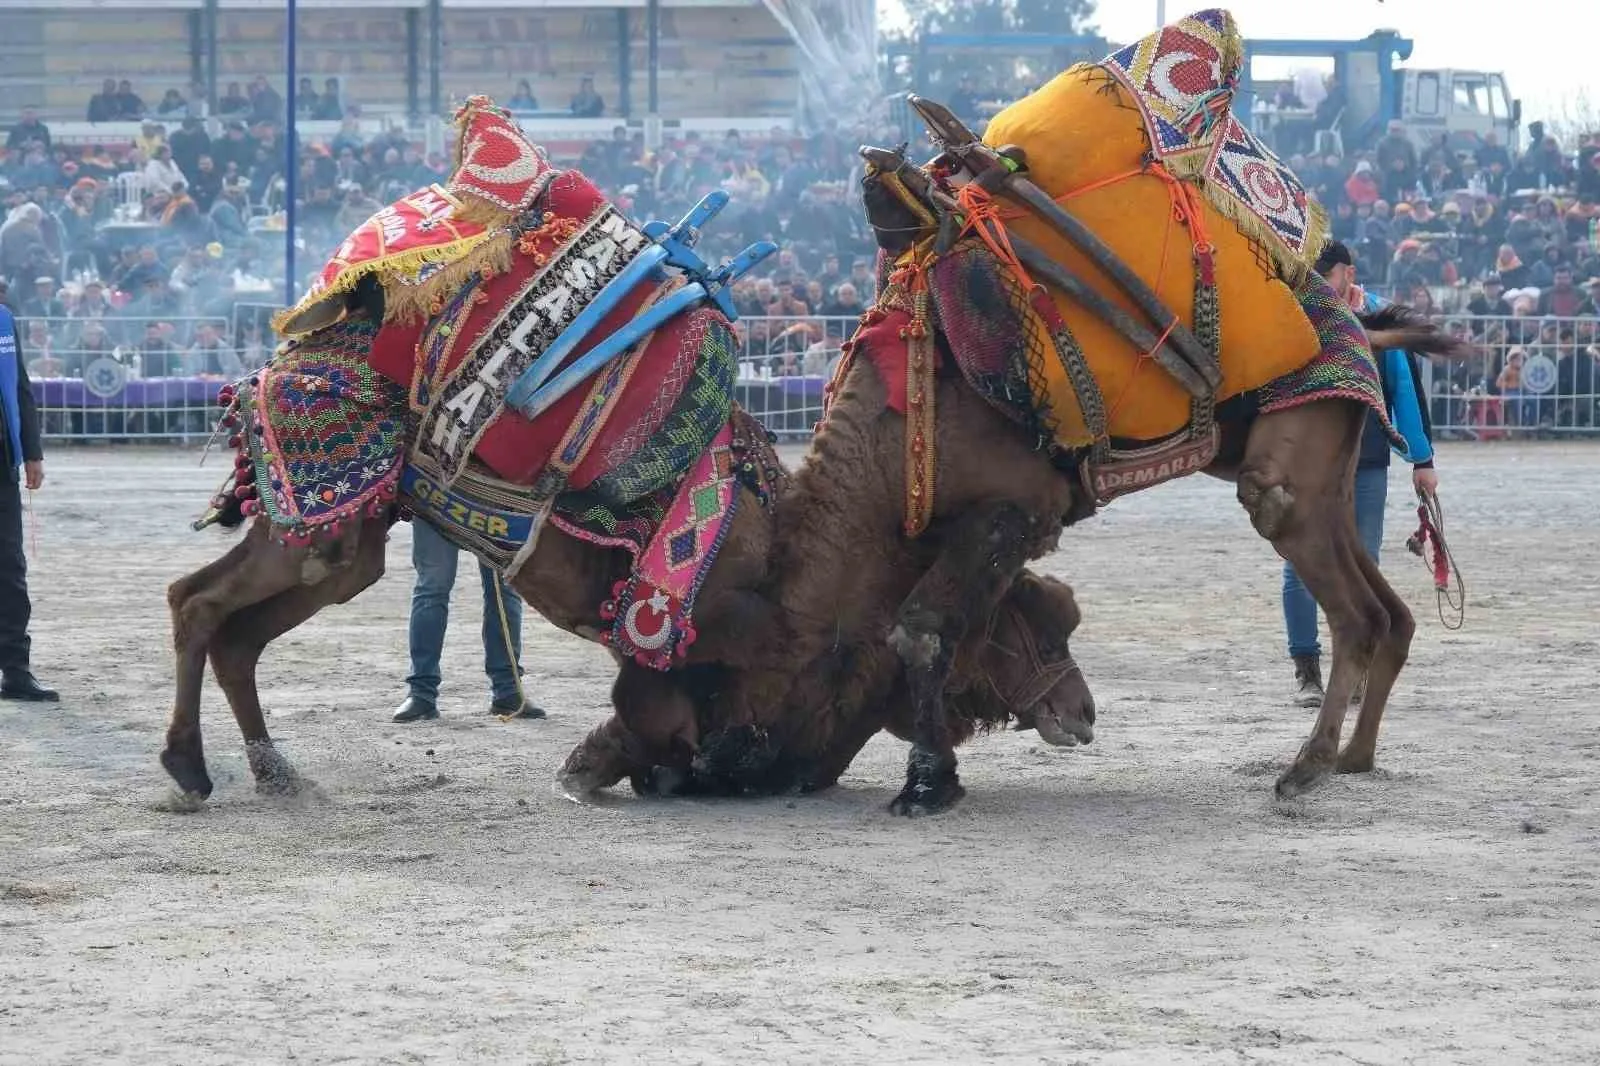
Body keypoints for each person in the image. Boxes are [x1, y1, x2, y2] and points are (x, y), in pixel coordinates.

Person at [1286, 240, 1437, 707]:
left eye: (1323, 277)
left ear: (1346, 273)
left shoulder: (1377, 319)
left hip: (1369, 456)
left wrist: (1422, 461)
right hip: (1307, 463)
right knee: (1299, 565)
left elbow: (1405, 391)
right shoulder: (1296, 316)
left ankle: (1354, 666)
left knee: (1363, 564)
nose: (1315, 286)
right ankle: (1306, 669)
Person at [390, 521, 545, 723]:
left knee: (504, 589)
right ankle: (421, 693)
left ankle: (508, 690)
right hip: (434, 500)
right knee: (432, 588)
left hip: (498, 499)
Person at [0, 291, 55, 701]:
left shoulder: (3, 319)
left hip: (2, 461)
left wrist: (32, 451)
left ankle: (16, 670)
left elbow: (20, 387)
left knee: (9, 568)